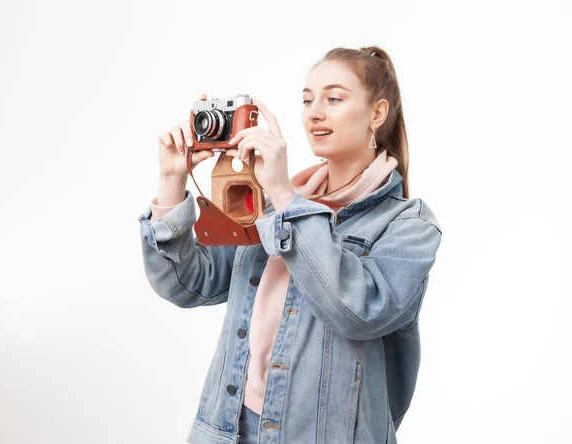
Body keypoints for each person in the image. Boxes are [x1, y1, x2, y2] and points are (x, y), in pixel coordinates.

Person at [138, 45, 443, 444]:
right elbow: (187, 284)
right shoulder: (267, 202)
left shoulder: (408, 225)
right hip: (227, 430)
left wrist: (283, 195)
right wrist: (172, 180)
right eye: (307, 100)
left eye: (334, 98)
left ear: (377, 113)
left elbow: (359, 311)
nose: (315, 111)